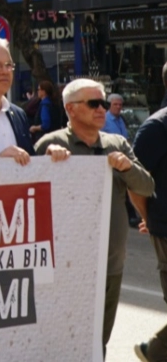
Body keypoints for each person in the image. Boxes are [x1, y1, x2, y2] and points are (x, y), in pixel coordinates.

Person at [34, 78, 152, 354]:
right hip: (67, 265)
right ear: (71, 109)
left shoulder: (117, 143)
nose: (103, 108)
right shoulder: (50, 144)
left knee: (99, 341)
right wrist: (47, 164)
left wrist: (127, 168)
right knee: (67, 340)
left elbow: (147, 186)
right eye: (94, 103)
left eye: (104, 102)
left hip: (111, 260)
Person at [132, 102, 167, 362]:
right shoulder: (156, 127)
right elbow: (135, 181)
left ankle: (154, 351)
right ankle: (155, 352)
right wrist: (149, 218)